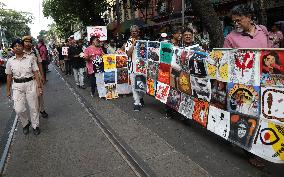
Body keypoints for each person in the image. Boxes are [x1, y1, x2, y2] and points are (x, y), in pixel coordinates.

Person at [223, 4, 271, 167]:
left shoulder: (263, 30)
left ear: (249, 18)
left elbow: (270, 53)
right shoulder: (230, 38)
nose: (236, 23)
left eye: (239, 20)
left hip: (265, 82)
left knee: (264, 117)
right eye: (234, 21)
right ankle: (249, 152)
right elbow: (224, 62)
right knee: (246, 117)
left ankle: (262, 145)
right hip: (243, 85)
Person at [5, 39, 42, 135]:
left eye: (19, 45)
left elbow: (36, 73)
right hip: (17, 86)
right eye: (15, 46)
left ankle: (35, 126)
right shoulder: (10, 61)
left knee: (34, 107)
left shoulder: (31, 58)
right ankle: (25, 123)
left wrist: (39, 87)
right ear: (12, 48)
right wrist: (8, 90)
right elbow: (9, 76)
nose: (17, 47)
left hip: (30, 83)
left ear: (23, 47)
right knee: (18, 109)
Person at [22, 36, 48, 118]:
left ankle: (42, 110)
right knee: (29, 97)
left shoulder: (35, 51)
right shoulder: (20, 52)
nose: (28, 43)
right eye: (26, 41)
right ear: (23, 43)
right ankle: (33, 113)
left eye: (29, 41)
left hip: (37, 76)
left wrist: (42, 76)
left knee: (40, 94)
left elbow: (40, 63)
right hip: (26, 78)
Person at [125, 25, 145, 111]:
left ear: (138, 32)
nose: (134, 32)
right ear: (131, 32)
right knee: (134, 85)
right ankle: (137, 102)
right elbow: (128, 54)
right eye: (132, 31)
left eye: (135, 31)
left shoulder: (143, 41)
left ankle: (140, 98)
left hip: (142, 68)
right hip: (132, 68)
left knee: (142, 85)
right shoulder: (128, 42)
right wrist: (134, 43)